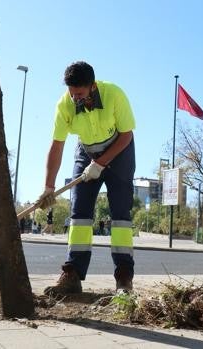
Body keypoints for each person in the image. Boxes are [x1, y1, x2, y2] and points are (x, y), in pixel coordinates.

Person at [38, 61, 136, 296]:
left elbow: (126, 136)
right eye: (72, 93)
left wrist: (101, 164)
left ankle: (124, 278)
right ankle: (72, 274)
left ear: (92, 86)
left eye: (79, 93)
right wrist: (48, 186)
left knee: (120, 216)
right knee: (79, 213)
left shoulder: (114, 94)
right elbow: (57, 145)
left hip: (119, 151)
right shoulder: (65, 104)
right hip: (86, 150)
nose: (75, 99)